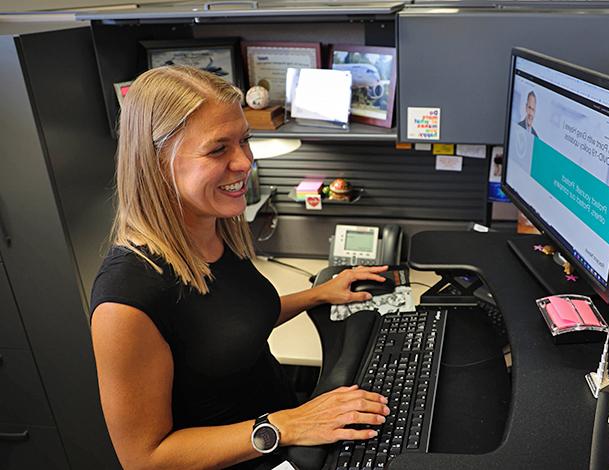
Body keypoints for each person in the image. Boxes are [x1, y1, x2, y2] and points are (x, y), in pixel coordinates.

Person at [90, 66, 391, 470]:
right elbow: (144, 459)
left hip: (288, 438)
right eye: (219, 149)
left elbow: (226, 324)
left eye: (244, 140)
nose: (244, 162)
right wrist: (287, 425)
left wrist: (319, 293)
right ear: (158, 162)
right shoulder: (127, 300)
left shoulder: (215, 231)